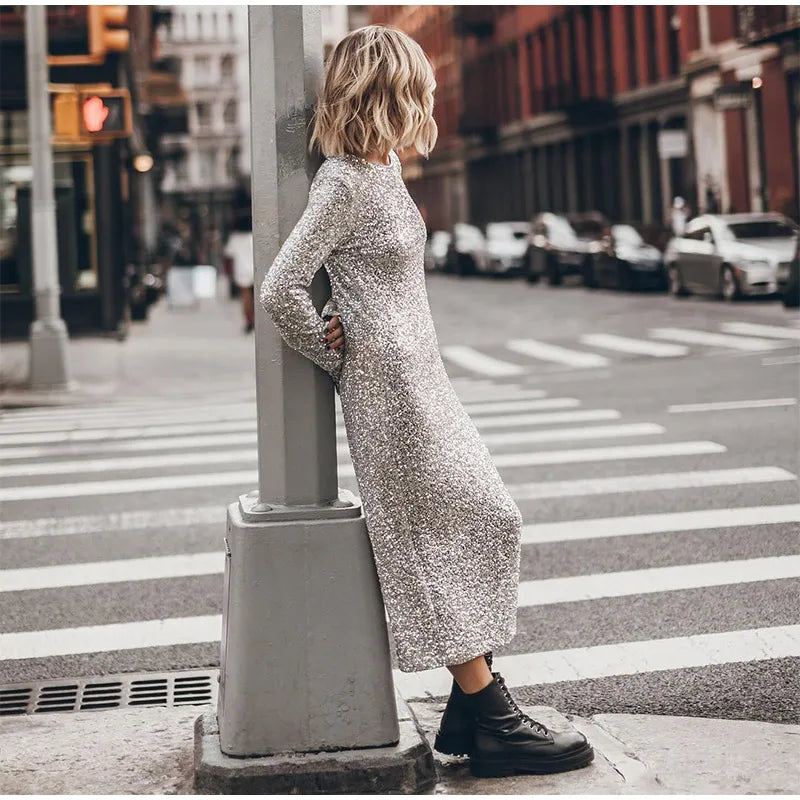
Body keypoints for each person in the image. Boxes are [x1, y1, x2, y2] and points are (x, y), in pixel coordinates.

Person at [258, 25, 594, 779]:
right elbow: (280, 287)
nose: (430, 96)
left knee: (485, 517)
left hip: (423, 382)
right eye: (418, 85)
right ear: (389, 90)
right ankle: (492, 714)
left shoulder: (381, 169)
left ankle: (471, 711)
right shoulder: (343, 180)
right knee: (443, 534)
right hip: (389, 394)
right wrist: (333, 352)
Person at [224, 214, 255, 333]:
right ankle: (256, 319)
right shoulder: (253, 236)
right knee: (256, 297)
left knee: (245, 297)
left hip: (241, 269)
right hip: (254, 268)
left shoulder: (234, 238)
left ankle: (248, 320)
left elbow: (228, 254)